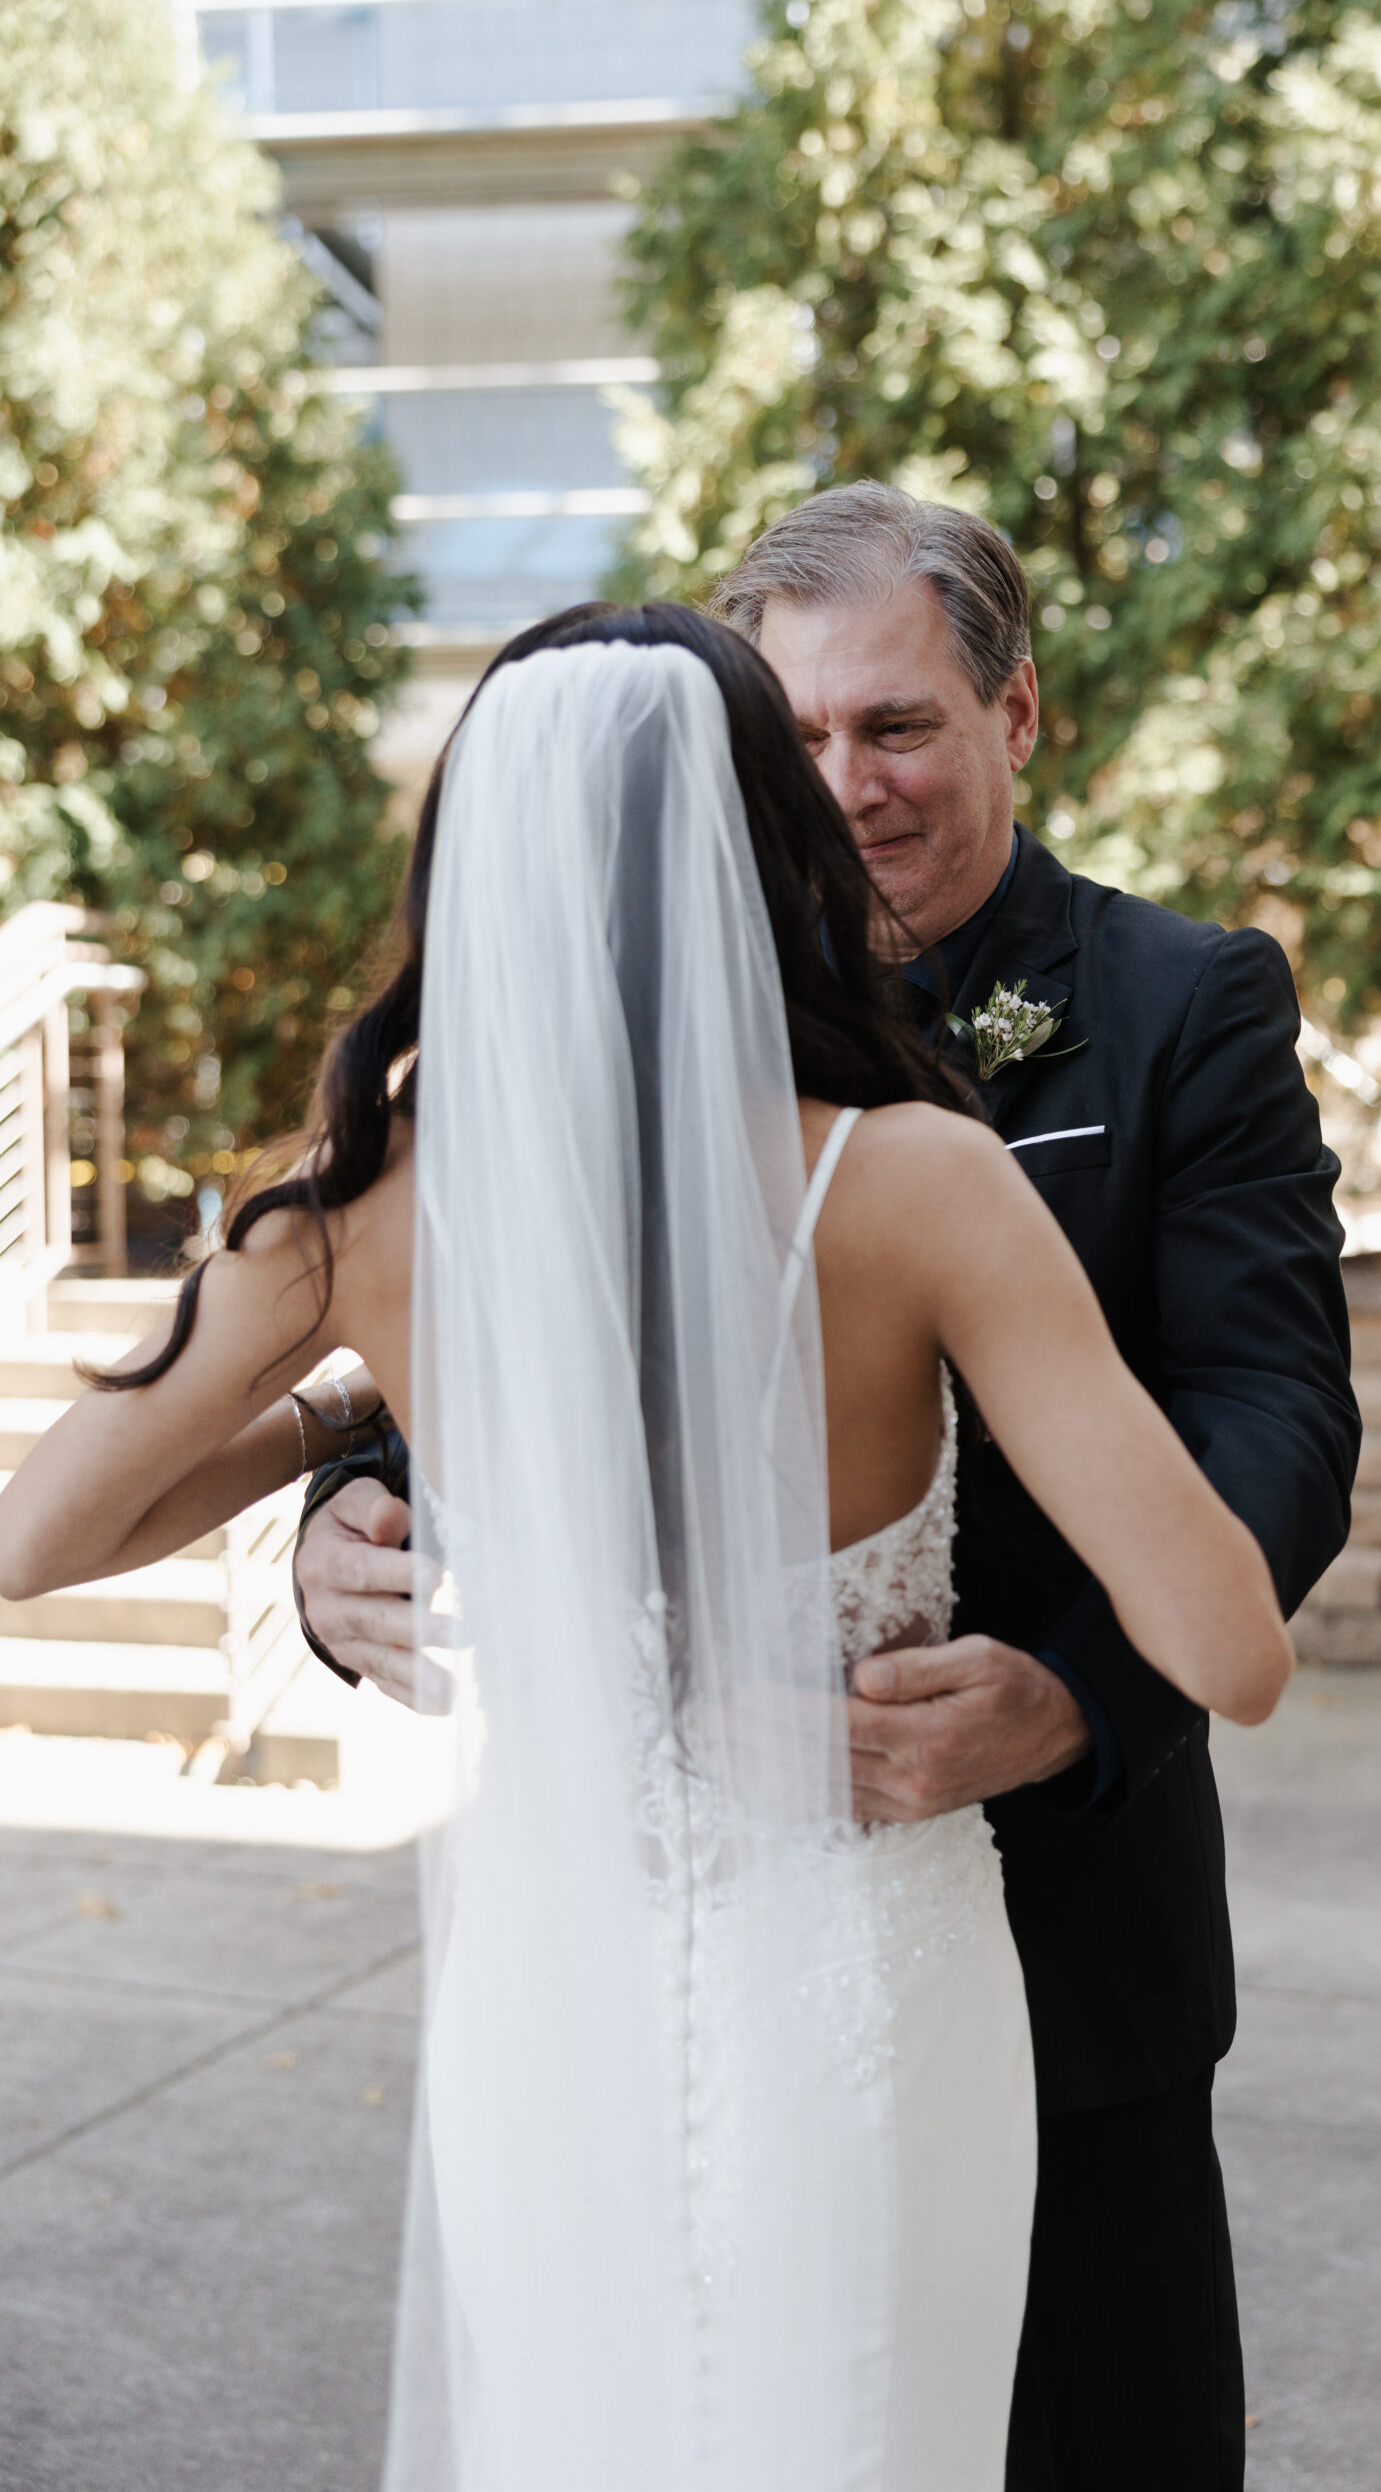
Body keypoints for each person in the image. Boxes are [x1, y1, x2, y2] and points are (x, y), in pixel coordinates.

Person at [0, 606, 1292, 2492]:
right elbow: (1233, 1646)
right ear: (770, 838)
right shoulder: (921, 1183)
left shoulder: (360, 1207)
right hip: (869, 2018)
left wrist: (364, 1402)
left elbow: (45, 1534)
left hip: (557, 2016)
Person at [297, 490, 1361, 2489]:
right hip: (665, 1964)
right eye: (790, 740)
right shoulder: (604, 1027)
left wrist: (1073, 1692)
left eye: (893, 727)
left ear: (1013, 711)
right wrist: (341, 1511)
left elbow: (1269, 1408)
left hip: (1067, 1938)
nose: (843, 785)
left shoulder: (1175, 1003)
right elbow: (500, 1339)